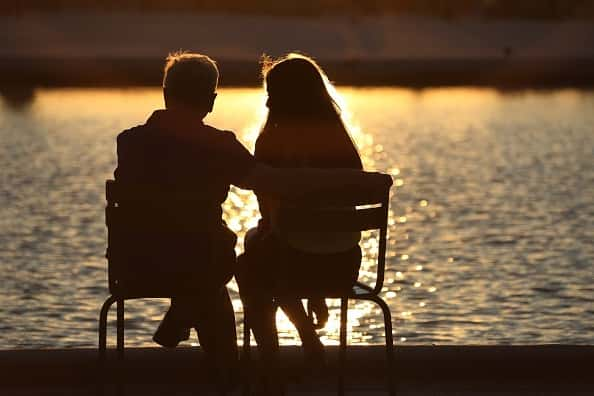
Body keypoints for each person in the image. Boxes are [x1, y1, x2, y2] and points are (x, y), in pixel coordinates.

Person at [113, 51, 390, 394]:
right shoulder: (220, 146)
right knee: (213, 269)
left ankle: (192, 321)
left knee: (227, 263)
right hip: (216, 264)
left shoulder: (128, 142)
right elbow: (270, 182)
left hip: (135, 266)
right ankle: (228, 372)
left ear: (166, 93)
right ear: (211, 101)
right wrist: (348, 181)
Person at [236, 54, 364, 390]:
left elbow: (274, 222)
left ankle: (278, 359)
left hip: (290, 265)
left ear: (277, 98)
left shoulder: (271, 143)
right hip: (343, 265)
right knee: (269, 254)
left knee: (250, 266)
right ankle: (306, 340)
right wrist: (317, 294)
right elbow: (333, 222)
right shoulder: (343, 143)